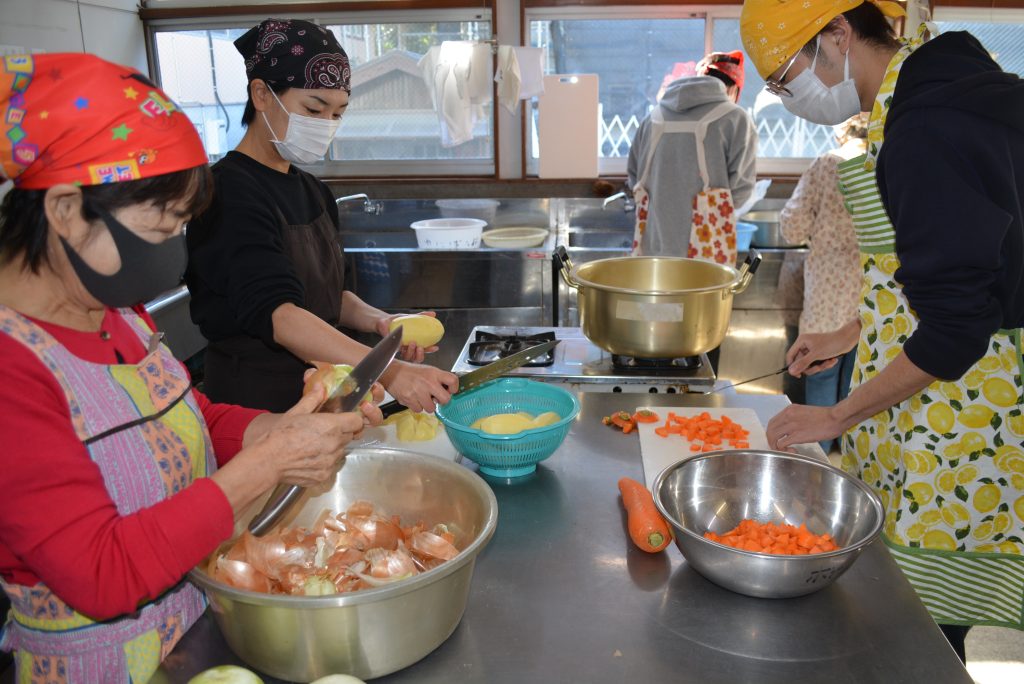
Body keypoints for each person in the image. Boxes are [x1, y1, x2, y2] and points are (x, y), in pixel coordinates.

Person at [0, 54, 382, 681]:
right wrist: (271, 463)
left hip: (199, 629)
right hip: (104, 664)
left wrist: (278, 431)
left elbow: (183, 414)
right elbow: (102, 573)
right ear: (66, 210)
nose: (176, 252)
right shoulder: (13, 366)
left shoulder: (117, 314)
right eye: (161, 226)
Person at [741, 0, 1024, 661]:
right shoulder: (935, 94)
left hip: (965, 411)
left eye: (786, 78)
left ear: (839, 34)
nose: (787, 99)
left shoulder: (929, 125)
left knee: (920, 635)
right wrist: (847, 335)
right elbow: (949, 273)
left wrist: (837, 415)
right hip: (937, 390)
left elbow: (957, 325)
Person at [186, 18, 458, 413]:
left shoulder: (312, 190)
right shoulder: (226, 193)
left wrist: (383, 323)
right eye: (314, 108)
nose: (326, 125)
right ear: (261, 94)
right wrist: (390, 370)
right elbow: (281, 316)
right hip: (256, 407)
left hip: (323, 393)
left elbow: (332, 298)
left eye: (337, 113)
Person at [778, 113, 868, 453]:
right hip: (873, 295)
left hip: (827, 291)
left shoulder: (828, 162)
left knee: (820, 375)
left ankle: (817, 460)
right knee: (856, 384)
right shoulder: (887, 161)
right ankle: (847, 460)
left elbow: (793, 227)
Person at [627, 50, 757, 262]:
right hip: (707, 257)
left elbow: (634, 178)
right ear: (733, 88)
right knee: (702, 295)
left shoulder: (652, 118)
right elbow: (741, 190)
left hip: (653, 255)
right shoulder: (736, 119)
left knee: (658, 295)